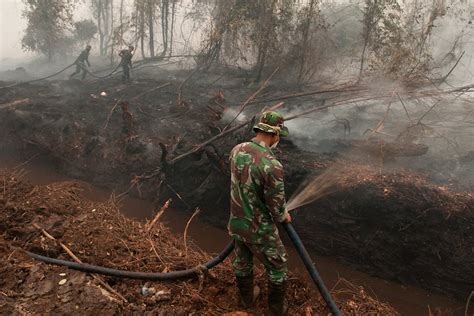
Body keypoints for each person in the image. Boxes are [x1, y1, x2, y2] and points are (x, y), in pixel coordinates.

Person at [228, 111, 292, 315]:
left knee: (242, 261)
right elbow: (277, 207)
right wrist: (284, 215)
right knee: (278, 266)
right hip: (259, 229)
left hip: (237, 222)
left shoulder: (237, 150)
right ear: (274, 135)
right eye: (279, 136)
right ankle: (276, 310)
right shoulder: (272, 165)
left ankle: (247, 300)